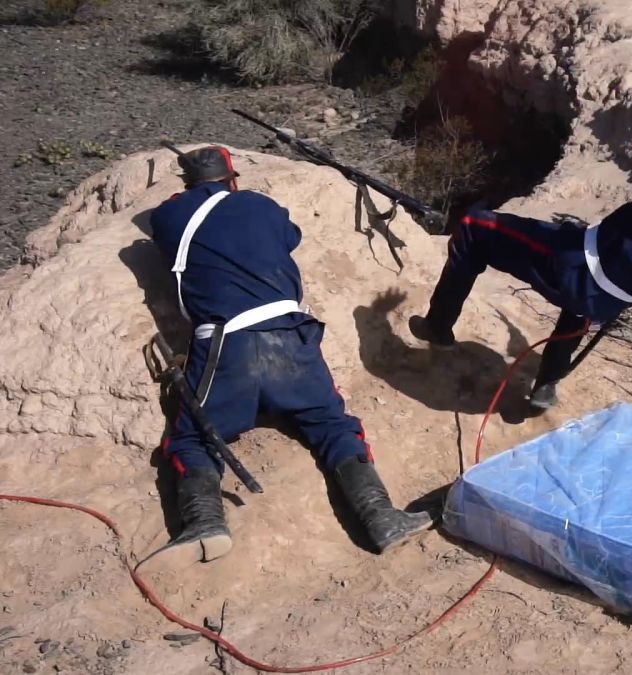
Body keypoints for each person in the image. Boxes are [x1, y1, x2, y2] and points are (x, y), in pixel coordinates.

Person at [411, 0, 632, 410]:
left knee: (476, 229)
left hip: (576, 270)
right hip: (613, 296)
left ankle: (437, 326)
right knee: (588, 298)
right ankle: (546, 383)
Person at [150, 146, 431, 563]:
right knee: (332, 425)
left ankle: (204, 523)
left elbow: (162, 224)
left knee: (193, 437)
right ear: (232, 180)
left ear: (189, 183)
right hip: (290, 336)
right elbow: (289, 236)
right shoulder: (261, 205)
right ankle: (381, 517)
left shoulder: (170, 217)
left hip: (227, 346)